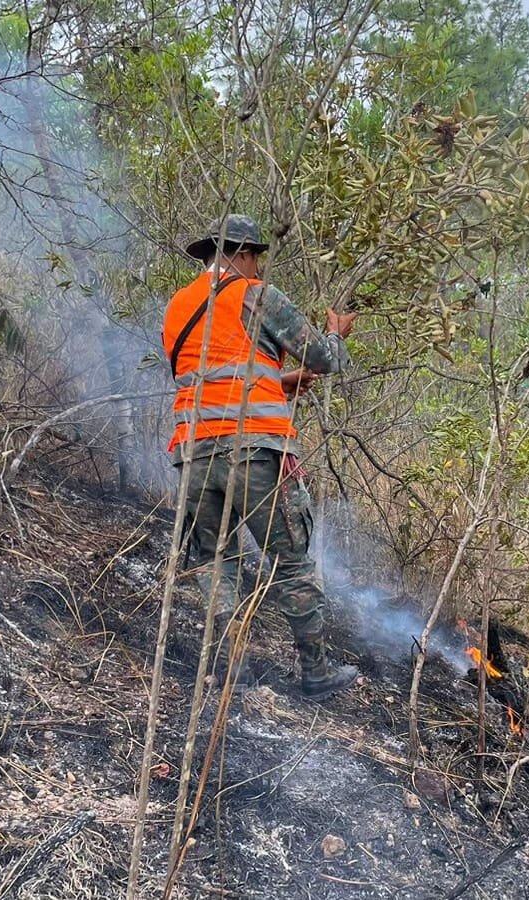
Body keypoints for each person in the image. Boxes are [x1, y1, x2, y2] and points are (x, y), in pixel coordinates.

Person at [162, 213, 359, 699]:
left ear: (209, 253)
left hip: (194, 455)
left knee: (214, 561)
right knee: (291, 562)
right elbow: (324, 359)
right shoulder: (256, 294)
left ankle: (233, 670)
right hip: (255, 454)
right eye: (255, 260)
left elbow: (211, 378)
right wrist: (336, 332)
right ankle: (315, 672)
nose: (257, 269)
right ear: (245, 254)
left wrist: (278, 383)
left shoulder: (177, 307)